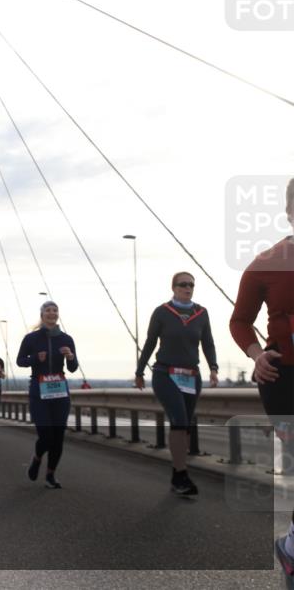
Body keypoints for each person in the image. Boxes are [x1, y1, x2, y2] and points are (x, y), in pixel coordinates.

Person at [229, 177, 294, 582]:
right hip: (283, 377)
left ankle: (290, 544)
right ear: (290, 212)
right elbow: (240, 321)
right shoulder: (267, 262)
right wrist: (255, 356)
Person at [134, 271, 219, 496]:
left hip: (191, 376)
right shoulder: (162, 312)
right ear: (173, 287)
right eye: (183, 284)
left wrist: (213, 368)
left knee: (185, 424)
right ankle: (181, 475)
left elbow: (208, 343)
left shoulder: (201, 313)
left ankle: (177, 473)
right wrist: (140, 370)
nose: (188, 288)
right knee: (179, 421)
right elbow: (150, 342)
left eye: (191, 285)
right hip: (165, 374)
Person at [17, 301, 78, 489]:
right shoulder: (31, 338)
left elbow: (73, 368)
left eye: (55, 310)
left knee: (58, 436)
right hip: (39, 388)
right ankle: (36, 459)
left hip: (59, 390)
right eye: (48, 311)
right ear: (42, 315)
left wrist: (70, 357)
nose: (52, 313)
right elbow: (20, 361)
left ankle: (50, 475)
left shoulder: (66, 339)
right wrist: (35, 358)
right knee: (46, 435)